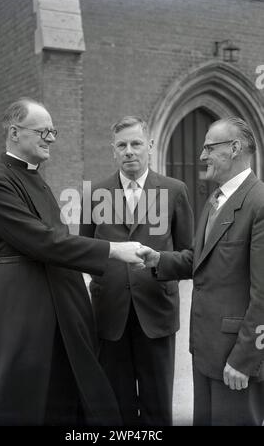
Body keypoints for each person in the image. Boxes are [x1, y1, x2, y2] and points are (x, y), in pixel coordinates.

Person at [0, 98, 146, 426]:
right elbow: (41, 241)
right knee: (24, 389)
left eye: (54, 131)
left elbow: (57, 242)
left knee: (65, 387)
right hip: (26, 302)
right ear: (15, 132)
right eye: (43, 131)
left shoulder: (38, 180)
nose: (51, 137)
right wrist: (112, 250)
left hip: (63, 298)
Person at [139, 117, 264, 426]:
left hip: (236, 359)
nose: (202, 156)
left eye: (209, 147)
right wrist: (159, 260)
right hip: (207, 351)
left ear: (234, 148)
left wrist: (245, 359)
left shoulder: (259, 203)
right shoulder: (215, 200)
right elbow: (202, 258)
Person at [79, 116, 194, 425]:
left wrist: (160, 261)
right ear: (113, 150)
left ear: (150, 146)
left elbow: (191, 257)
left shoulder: (174, 190)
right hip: (110, 314)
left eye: (136, 143)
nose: (129, 151)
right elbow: (84, 252)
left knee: (158, 410)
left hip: (156, 312)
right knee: (116, 409)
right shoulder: (95, 193)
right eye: (122, 145)